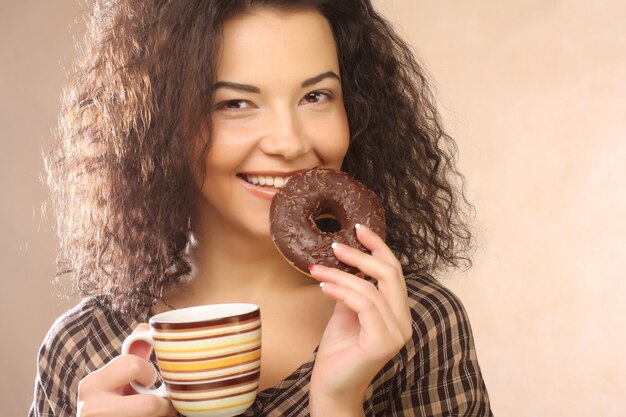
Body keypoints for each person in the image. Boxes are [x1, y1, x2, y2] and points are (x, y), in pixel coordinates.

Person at [30, 1, 493, 416]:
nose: (289, 143)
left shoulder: (415, 322)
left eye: (315, 96)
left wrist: (337, 402)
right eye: (235, 103)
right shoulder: (82, 348)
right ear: (161, 123)